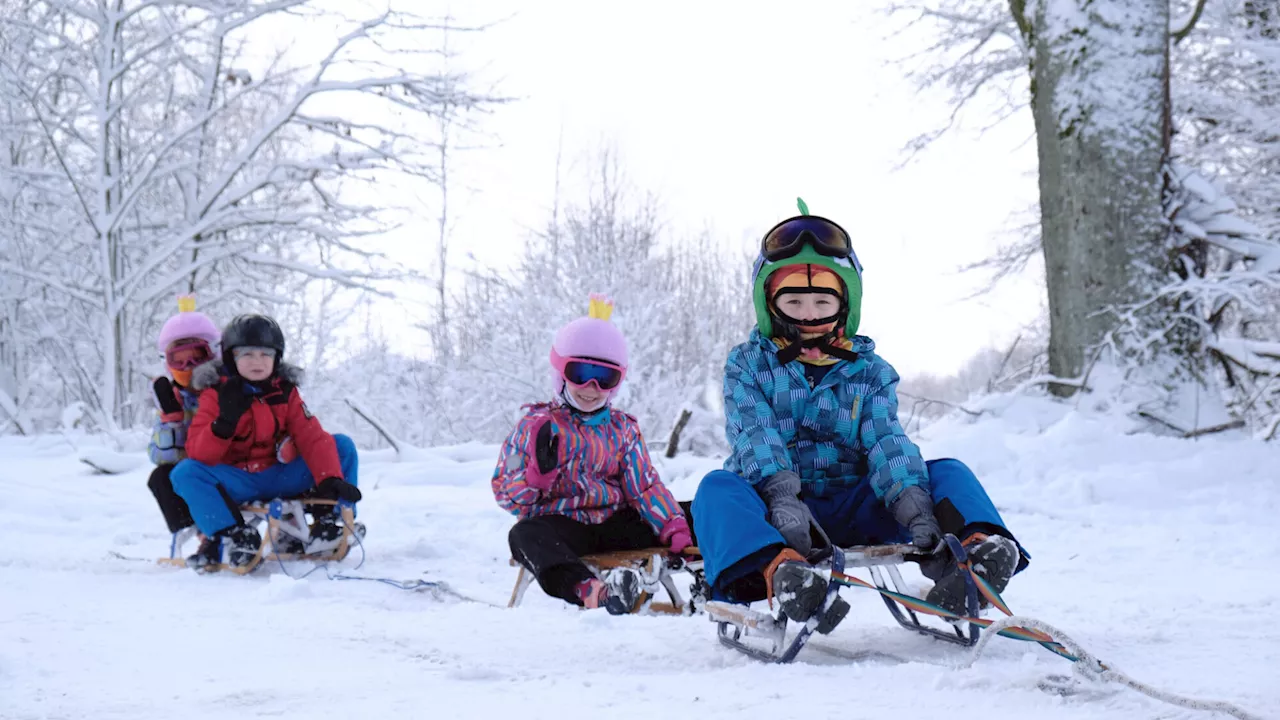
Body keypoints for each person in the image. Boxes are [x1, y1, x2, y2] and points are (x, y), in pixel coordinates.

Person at [692, 203, 1029, 627]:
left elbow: (885, 439)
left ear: (844, 304)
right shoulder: (748, 364)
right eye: (794, 300)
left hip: (856, 502)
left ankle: (974, 559)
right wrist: (781, 500)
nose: (810, 313)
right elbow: (755, 435)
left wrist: (913, 506)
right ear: (771, 304)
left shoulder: (869, 370)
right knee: (717, 489)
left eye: (821, 300)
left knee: (947, 472)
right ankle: (784, 575)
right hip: (780, 514)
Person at [492, 294, 693, 614]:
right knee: (524, 535)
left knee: (697, 510)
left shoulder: (622, 429)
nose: (591, 387)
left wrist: (673, 524)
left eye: (605, 378)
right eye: (580, 373)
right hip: (564, 528)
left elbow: (644, 487)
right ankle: (590, 588)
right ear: (560, 373)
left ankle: (723, 569)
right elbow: (505, 491)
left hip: (615, 523)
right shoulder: (535, 428)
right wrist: (534, 479)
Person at [170, 314, 361, 571]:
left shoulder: (285, 392)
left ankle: (327, 523)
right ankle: (234, 534)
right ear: (231, 358)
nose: (257, 362)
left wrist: (330, 478)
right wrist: (223, 425)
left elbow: (312, 436)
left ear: (276, 358)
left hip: (280, 474)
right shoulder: (215, 394)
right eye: (247, 355)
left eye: (265, 354)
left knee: (341, 446)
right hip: (238, 480)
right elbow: (199, 453)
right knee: (185, 473)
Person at [147, 296, 220, 535]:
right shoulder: (174, 397)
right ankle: (192, 529)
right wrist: (172, 421)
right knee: (160, 477)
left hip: (228, 465)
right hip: (192, 470)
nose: (189, 366)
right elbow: (157, 455)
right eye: (179, 359)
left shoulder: (225, 390)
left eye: (197, 356)